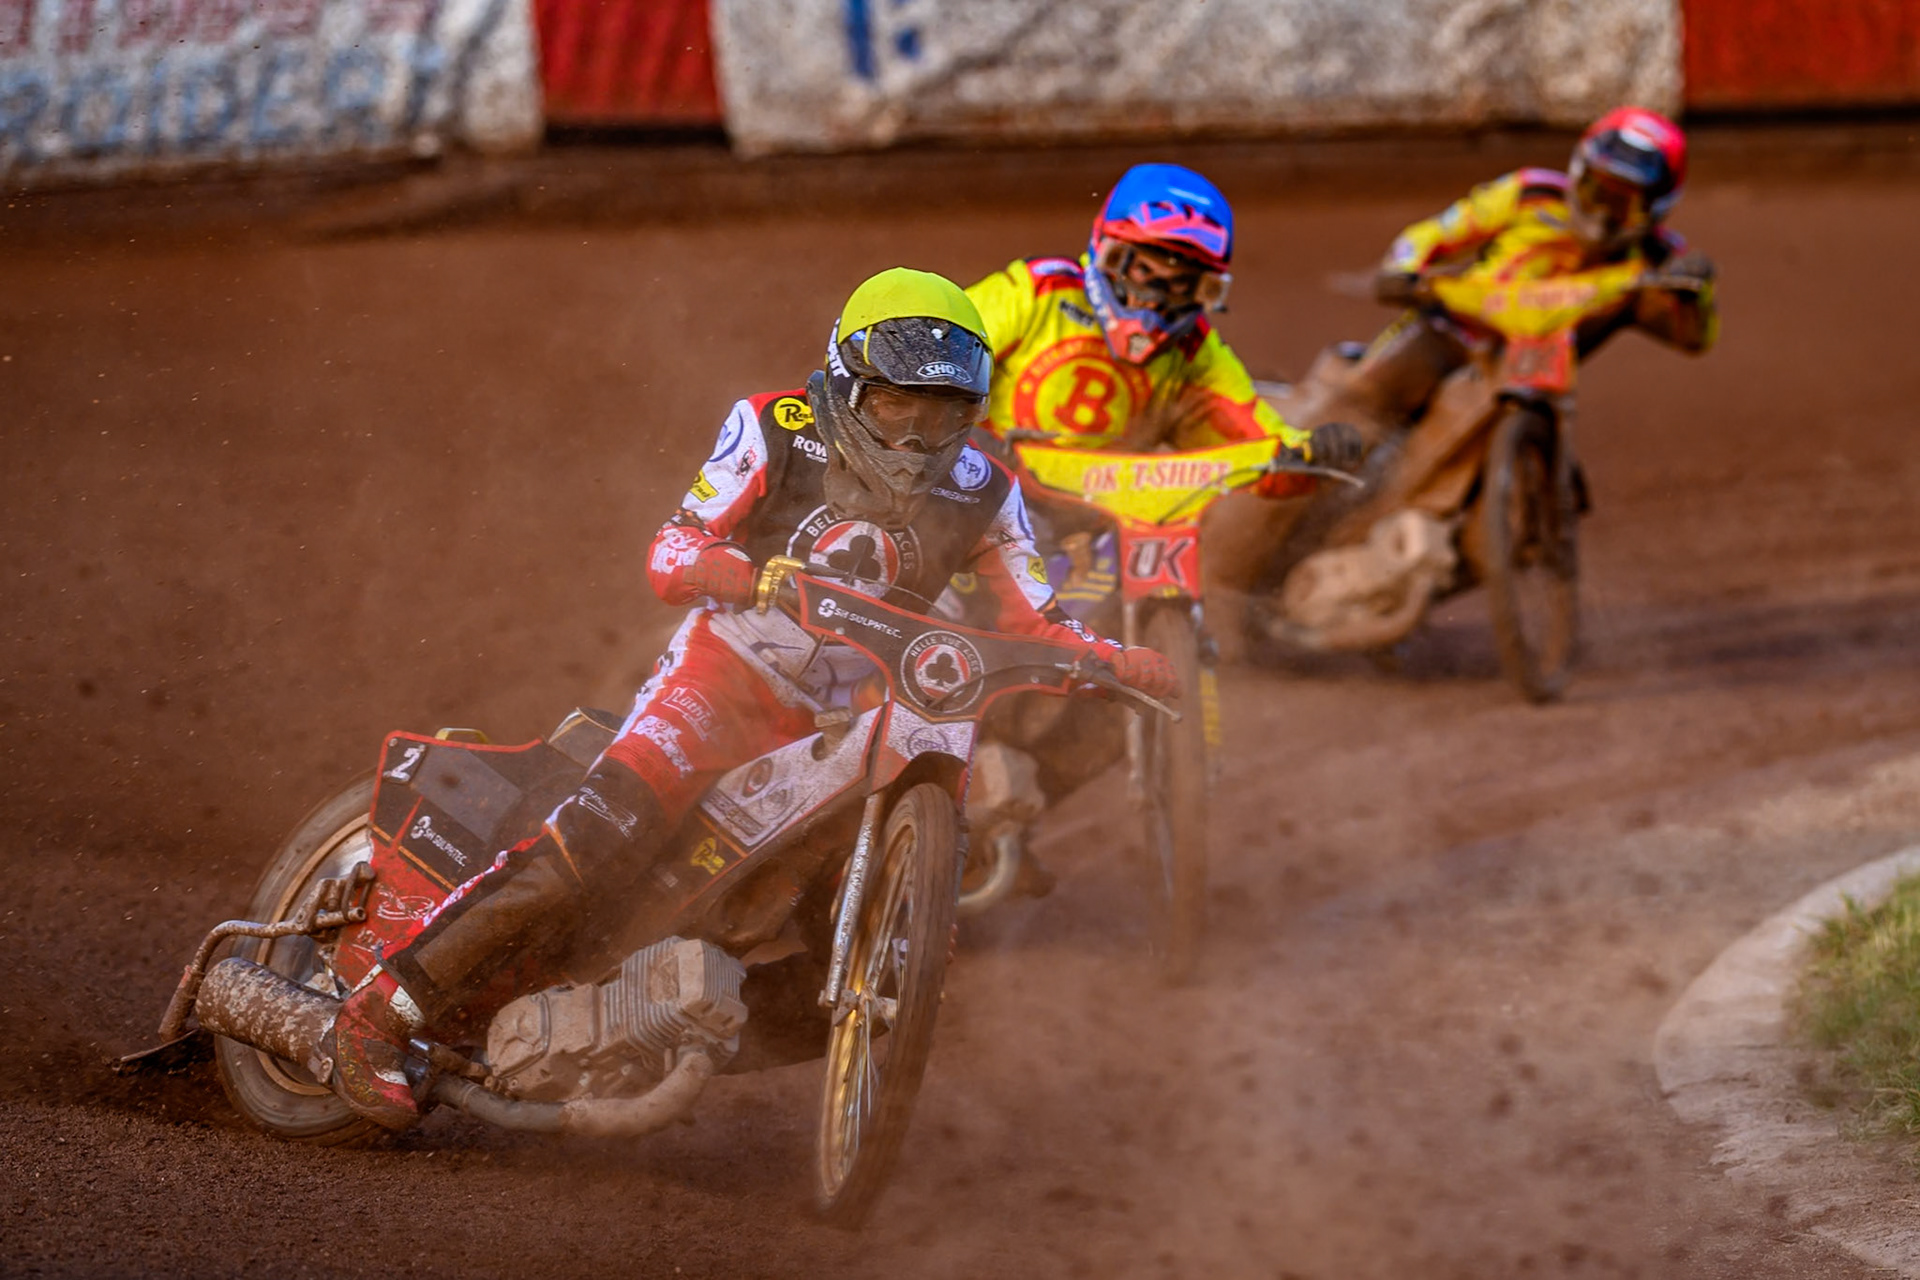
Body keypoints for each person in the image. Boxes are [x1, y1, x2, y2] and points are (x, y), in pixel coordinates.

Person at [323, 267, 1179, 1129]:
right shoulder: (775, 427)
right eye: (897, 409)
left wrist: (1115, 660)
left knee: (890, 955)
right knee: (598, 838)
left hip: (843, 721)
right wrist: (742, 573)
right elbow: (671, 550)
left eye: (945, 414)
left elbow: (1036, 619)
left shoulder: (986, 488)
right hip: (725, 675)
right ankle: (379, 1012)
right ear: (846, 383)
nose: (920, 439)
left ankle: (639, 1039)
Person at [947, 163, 1361, 897]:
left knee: (1121, 684)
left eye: (1178, 281)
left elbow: (1254, 432)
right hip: (986, 497)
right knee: (931, 611)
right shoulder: (1036, 293)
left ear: (1204, 291)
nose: (1152, 295)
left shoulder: (1196, 353)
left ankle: (1006, 814)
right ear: (1106, 254)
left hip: (1106, 530)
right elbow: (943, 349)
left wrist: (1306, 456)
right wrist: (962, 427)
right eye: (1142, 270)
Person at [1356, 105, 1717, 429]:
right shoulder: (1529, 193)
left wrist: (1695, 296)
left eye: (1625, 204)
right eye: (1597, 191)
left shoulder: (1659, 259)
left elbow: (1694, 338)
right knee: (1365, 395)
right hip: (1453, 328)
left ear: (1657, 208)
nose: (1603, 214)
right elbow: (1437, 231)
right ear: (1578, 174)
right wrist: (1403, 267)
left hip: (1538, 369)